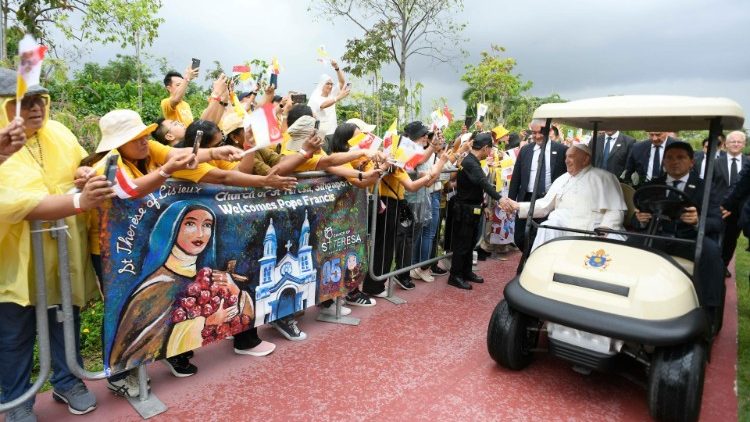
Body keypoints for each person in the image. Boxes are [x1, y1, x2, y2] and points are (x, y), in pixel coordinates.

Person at [0, 67, 116, 420]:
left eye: (40, 100)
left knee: (65, 318)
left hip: (62, 252)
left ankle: (68, 381)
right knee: (14, 334)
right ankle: (18, 400)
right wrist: (80, 202)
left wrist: (85, 174)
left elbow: (81, 165)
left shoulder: (60, 133)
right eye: (25, 102)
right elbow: (14, 203)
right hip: (15, 261)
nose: (36, 108)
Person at [108, 202, 257, 371]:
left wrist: (235, 292)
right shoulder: (158, 287)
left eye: (207, 225)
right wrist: (206, 322)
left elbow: (245, 317)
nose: (200, 233)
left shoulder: (209, 276)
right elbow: (132, 350)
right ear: (173, 227)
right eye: (190, 224)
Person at [633, 142, 725, 333]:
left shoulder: (703, 187)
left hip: (690, 239)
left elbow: (717, 222)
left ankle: (709, 311)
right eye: (669, 158)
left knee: (711, 252)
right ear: (663, 161)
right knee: (630, 244)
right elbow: (638, 216)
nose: (674, 162)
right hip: (658, 236)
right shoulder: (652, 185)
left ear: (692, 162)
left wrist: (698, 221)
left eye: (681, 157)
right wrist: (640, 219)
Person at [504, 144, 627, 252]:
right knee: (546, 227)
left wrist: (605, 226)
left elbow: (616, 209)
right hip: (563, 226)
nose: (567, 161)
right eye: (566, 157)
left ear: (586, 159)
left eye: (571, 156)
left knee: (612, 243)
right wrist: (518, 206)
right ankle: (540, 267)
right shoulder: (562, 179)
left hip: (592, 228)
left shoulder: (605, 178)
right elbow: (544, 206)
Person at [448, 132, 509, 290]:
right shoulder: (470, 163)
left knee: (470, 243)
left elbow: (477, 187)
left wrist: (484, 206)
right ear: (485, 148)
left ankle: (466, 272)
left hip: (472, 208)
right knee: (462, 244)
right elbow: (483, 183)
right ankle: (455, 276)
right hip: (465, 209)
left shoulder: (472, 161)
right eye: (490, 149)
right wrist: (500, 199)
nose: (490, 153)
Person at [508, 120, 567, 255]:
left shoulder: (561, 150)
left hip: (549, 201)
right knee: (520, 237)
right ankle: (529, 257)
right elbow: (516, 178)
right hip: (526, 199)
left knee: (541, 236)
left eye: (540, 132)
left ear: (550, 130)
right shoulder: (525, 151)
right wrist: (510, 201)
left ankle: (531, 262)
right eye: (534, 133)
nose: (537, 136)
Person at [715, 131, 748, 276]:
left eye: (739, 142)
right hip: (718, 208)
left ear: (744, 145)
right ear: (725, 144)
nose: (735, 144)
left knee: (730, 240)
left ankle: (723, 266)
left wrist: (733, 206)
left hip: (738, 211)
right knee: (715, 238)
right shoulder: (715, 162)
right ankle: (713, 264)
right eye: (732, 141)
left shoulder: (748, 163)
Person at [307, 59, 350, 137]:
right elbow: (322, 105)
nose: (330, 86)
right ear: (322, 84)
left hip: (333, 131)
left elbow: (342, 82)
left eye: (331, 84)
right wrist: (338, 97)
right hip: (320, 133)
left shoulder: (332, 94)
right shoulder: (315, 95)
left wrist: (336, 68)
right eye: (327, 84)